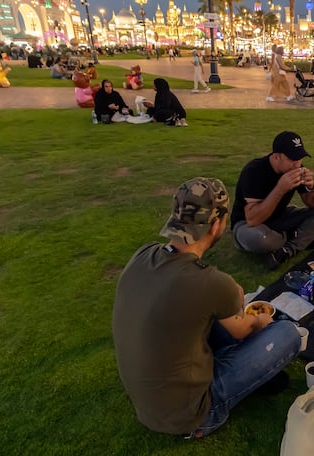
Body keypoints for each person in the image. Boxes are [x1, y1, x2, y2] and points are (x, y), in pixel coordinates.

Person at [113, 177, 300, 437]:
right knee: (286, 333)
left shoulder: (144, 254)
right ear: (216, 225)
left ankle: (255, 375)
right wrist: (262, 323)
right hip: (191, 415)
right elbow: (244, 329)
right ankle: (244, 383)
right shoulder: (208, 282)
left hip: (149, 401)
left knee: (210, 322)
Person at [232, 131, 314, 269]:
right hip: (248, 225)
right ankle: (298, 236)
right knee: (258, 239)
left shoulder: (297, 168)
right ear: (276, 156)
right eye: (292, 159)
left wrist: (311, 187)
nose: (297, 164)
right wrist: (280, 189)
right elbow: (252, 219)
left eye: (300, 158)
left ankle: (286, 250)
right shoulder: (254, 170)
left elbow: (312, 204)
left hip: (280, 216)